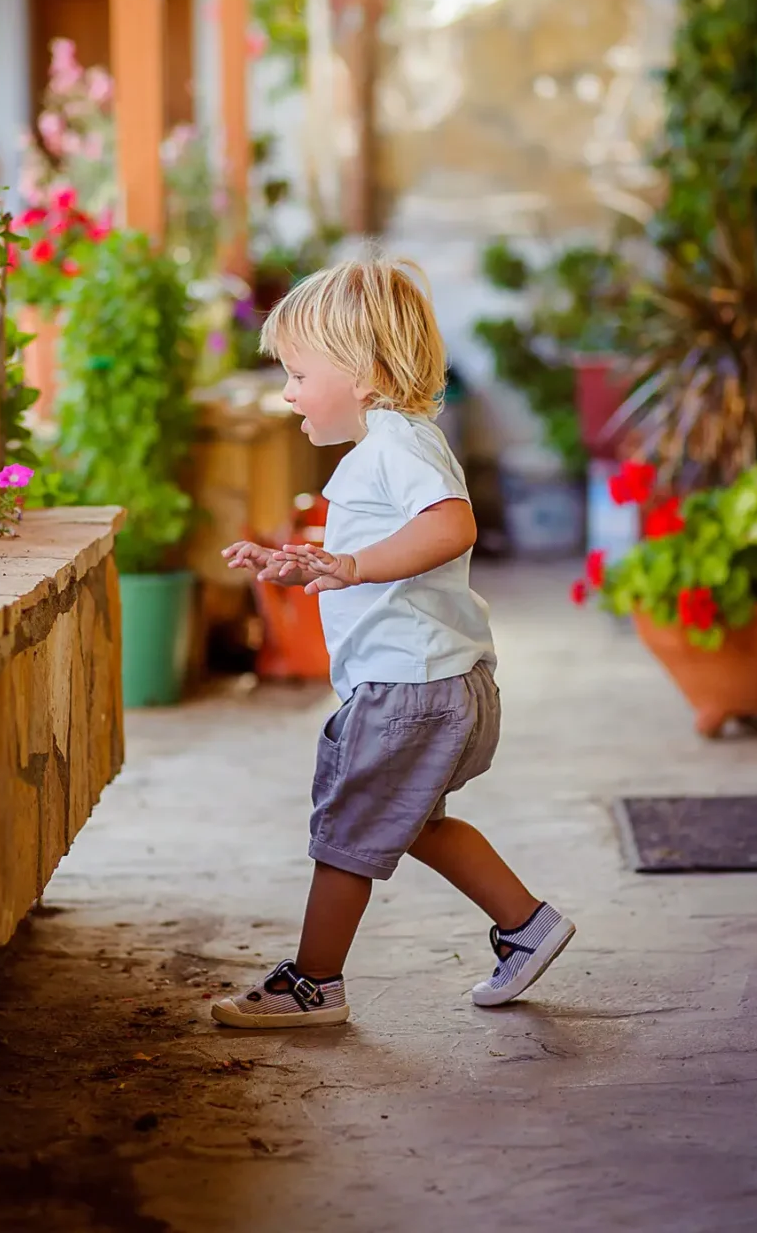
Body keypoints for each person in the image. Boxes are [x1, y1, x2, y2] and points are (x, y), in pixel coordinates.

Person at [216, 258, 575, 1029]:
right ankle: (527, 926)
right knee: (413, 824)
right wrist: (303, 566)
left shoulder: (396, 447)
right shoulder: (392, 445)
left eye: (298, 372)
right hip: (436, 683)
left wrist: (348, 563)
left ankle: (315, 982)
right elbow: (379, 558)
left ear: (365, 373)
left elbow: (451, 527)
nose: (287, 392)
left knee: (346, 832)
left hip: (409, 688)